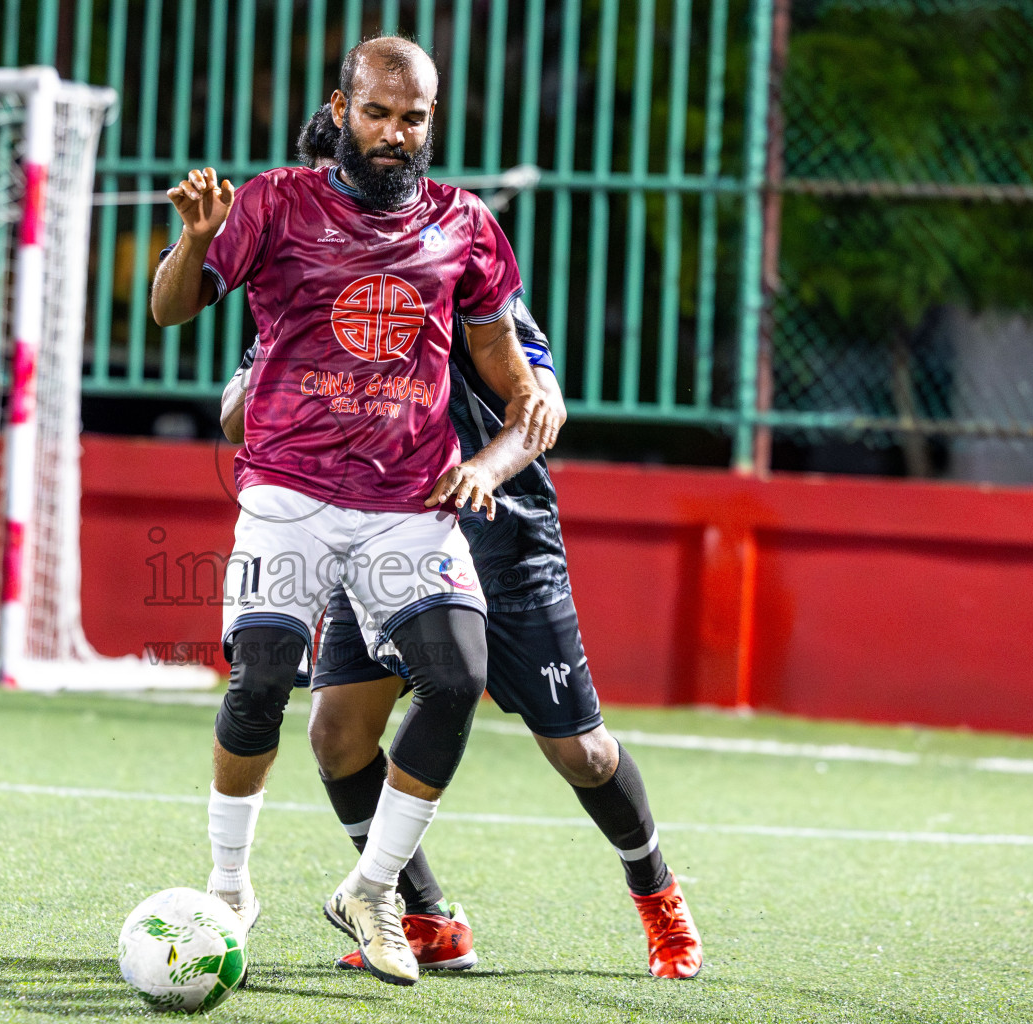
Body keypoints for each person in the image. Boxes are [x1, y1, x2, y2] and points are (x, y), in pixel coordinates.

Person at [221, 105, 704, 981]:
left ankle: (657, 893)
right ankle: (425, 915)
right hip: (376, 520)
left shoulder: (455, 268)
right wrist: (259, 383)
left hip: (498, 532)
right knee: (337, 734)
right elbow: (241, 409)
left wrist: (489, 462)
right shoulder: (301, 276)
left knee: (581, 750)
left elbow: (541, 404)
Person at [152, 37, 559, 986]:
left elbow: (517, 389)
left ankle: (373, 890)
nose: (393, 134)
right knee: (260, 678)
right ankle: (227, 888)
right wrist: (197, 240)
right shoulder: (273, 201)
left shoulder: (465, 224)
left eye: (411, 118)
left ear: (431, 121)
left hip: (409, 500)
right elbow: (172, 309)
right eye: (376, 114)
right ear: (341, 111)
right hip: (288, 489)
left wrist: (491, 460)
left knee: (457, 676)